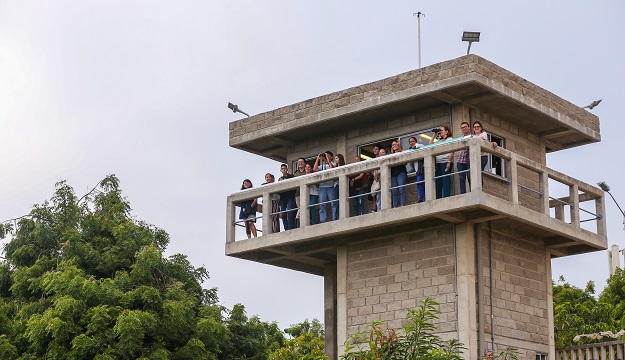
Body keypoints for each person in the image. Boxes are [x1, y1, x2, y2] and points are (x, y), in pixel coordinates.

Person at [430, 125, 454, 199]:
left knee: (445, 180)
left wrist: (449, 162)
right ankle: (438, 197)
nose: (440, 132)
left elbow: (452, 151)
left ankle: (447, 196)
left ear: (447, 131)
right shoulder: (439, 141)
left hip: (445, 162)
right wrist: (435, 134)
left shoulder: (450, 139)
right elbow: (430, 144)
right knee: (438, 181)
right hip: (438, 163)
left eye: (442, 130)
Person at [314, 151, 337, 223]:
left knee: (333, 203)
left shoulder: (333, 163)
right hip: (322, 187)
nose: (326, 157)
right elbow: (315, 169)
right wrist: (318, 159)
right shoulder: (322, 165)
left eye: (328, 155)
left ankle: (334, 218)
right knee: (322, 205)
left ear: (331, 157)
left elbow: (332, 168)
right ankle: (323, 220)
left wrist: (328, 159)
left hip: (330, 186)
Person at [278, 163, 296, 230]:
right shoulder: (280, 179)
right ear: (280, 170)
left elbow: (294, 184)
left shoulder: (291, 176)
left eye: (285, 168)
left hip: (290, 197)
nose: (283, 170)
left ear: (287, 169)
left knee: (290, 212)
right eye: (282, 169)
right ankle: (286, 228)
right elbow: (278, 190)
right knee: (283, 214)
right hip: (283, 198)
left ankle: (291, 227)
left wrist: (284, 181)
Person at [407, 136, 425, 202]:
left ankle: (421, 199)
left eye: (413, 141)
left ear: (416, 142)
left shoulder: (420, 146)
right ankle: (423, 198)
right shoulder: (410, 151)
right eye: (410, 142)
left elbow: (423, 147)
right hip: (417, 170)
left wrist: (415, 146)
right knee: (421, 184)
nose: (412, 143)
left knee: (419, 183)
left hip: (422, 169)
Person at [390, 140, 407, 207]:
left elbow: (405, 160)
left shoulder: (402, 152)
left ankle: (403, 204)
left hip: (401, 172)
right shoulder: (390, 156)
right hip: (393, 174)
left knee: (401, 189)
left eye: (395, 144)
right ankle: (395, 206)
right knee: (394, 191)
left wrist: (399, 146)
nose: (394, 146)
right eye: (393, 145)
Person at [457, 121, 472, 194]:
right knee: (461, 178)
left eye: (465, 127)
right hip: (460, 161)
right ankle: (463, 193)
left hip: (468, 160)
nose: (463, 128)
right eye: (462, 128)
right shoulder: (460, 138)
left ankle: (472, 192)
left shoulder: (473, 136)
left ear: (469, 127)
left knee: (470, 177)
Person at [293, 157, 307, 226]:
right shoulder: (295, 173)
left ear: (304, 163)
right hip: (297, 193)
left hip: (306, 192)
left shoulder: (307, 171)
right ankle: (300, 223)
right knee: (300, 208)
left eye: (301, 162)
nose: (300, 163)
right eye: (298, 162)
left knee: (304, 207)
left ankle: (300, 221)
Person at [332, 154, 346, 220]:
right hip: (335, 185)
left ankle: (342, 216)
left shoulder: (344, 166)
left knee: (342, 200)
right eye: (335, 158)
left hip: (342, 184)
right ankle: (335, 217)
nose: (335, 160)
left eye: (337, 158)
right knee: (335, 202)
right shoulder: (335, 167)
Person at [368, 145, 381, 212]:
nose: (375, 150)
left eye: (376, 149)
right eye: (374, 149)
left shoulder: (381, 158)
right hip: (373, 178)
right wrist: (374, 174)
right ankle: (374, 208)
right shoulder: (373, 160)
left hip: (380, 177)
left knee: (379, 193)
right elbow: (371, 169)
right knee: (373, 193)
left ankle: (379, 208)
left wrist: (376, 175)